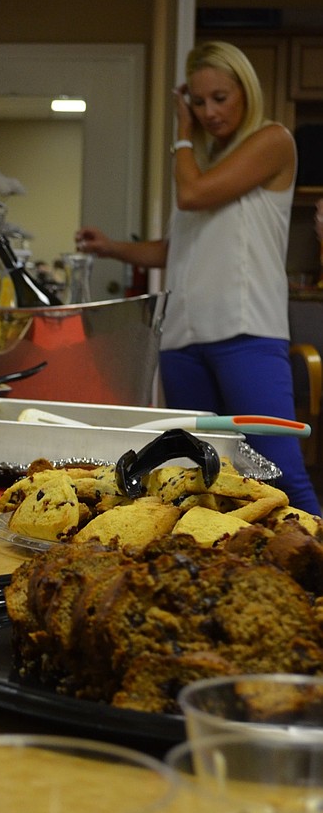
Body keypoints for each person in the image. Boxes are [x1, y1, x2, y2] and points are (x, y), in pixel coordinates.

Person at [77, 39, 321, 516]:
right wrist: (109, 246)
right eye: (198, 101)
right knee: (202, 479)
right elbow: (174, 249)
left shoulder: (271, 141)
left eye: (220, 98)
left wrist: (181, 133)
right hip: (184, 340)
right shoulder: (205, 165)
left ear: (246, 91)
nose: (209, 111)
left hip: (246, 334)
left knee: (280, 473)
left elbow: (191, 195)